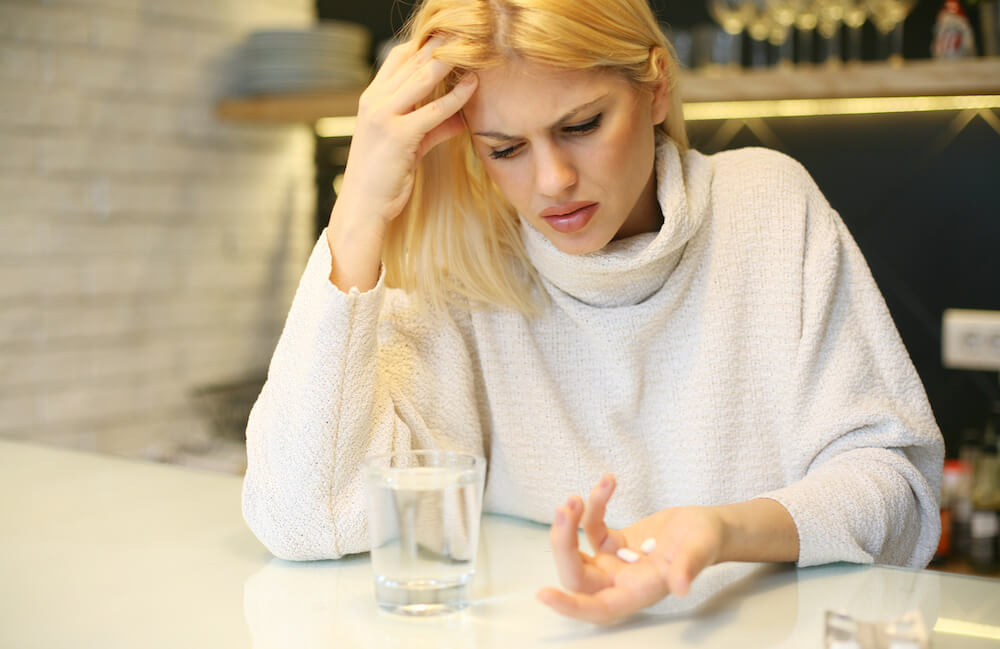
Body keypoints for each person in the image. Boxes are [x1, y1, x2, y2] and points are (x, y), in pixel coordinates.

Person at [241, 0, 944, 624]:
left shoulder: (768, 206)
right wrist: (359, 213)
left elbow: (900, 492)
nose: (552, 182)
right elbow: (307, 519)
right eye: (506, 148)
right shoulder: (463, 268)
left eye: (581, 124)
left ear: (657, 86)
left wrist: (725, 530)